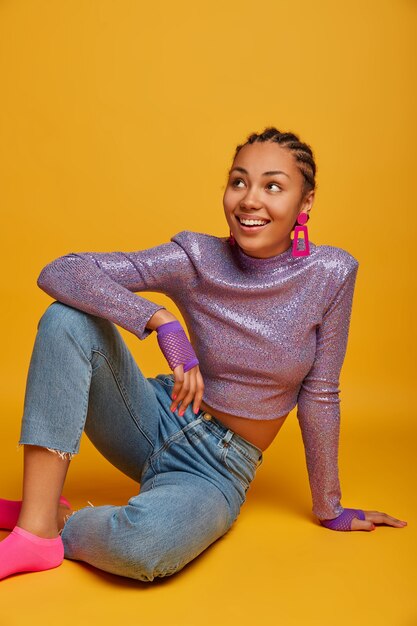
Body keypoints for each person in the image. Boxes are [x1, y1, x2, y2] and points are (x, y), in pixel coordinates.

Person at [0, 127, 407, 582]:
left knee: (142, 549)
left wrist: (329, 507)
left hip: (217, 468)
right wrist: (159, 320)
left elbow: (321, 394)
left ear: (305, 203)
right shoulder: (195, 256)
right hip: (152, 414)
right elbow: (62, 271)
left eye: (273, 186)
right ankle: (34, 529)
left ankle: (54, 516)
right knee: (67, 318)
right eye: (239, 182)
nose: (250, 199)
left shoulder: (332, 273)